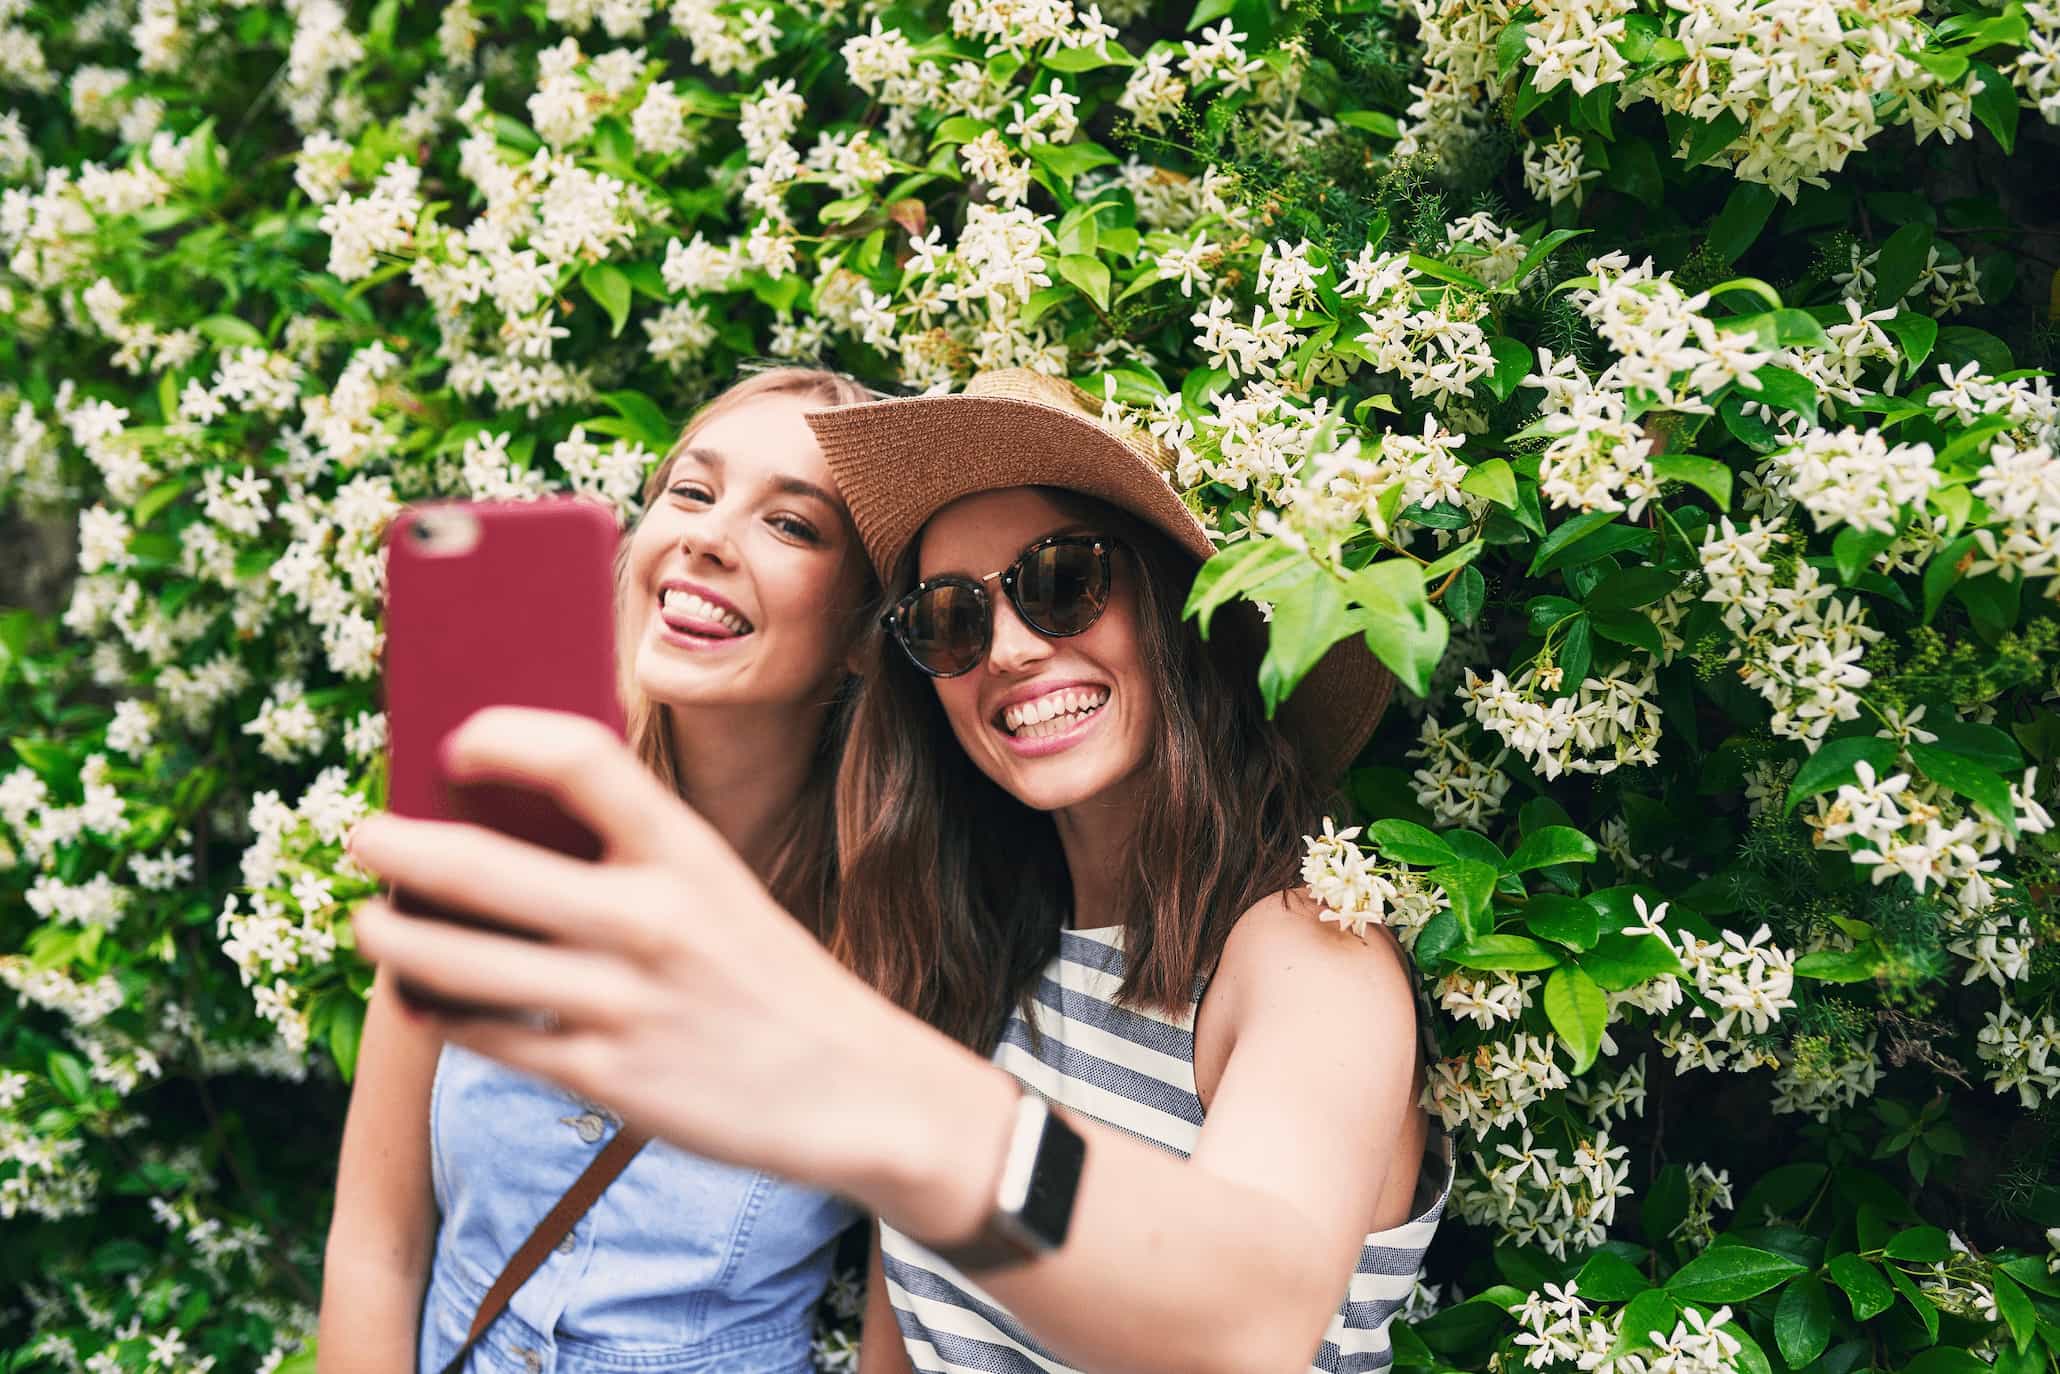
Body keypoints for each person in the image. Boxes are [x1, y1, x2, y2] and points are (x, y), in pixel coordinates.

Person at [345, 369, 1450, 1374]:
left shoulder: (1305, 956)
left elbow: (1245, 1319)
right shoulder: (976, 947)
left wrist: (869, 1088)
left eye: (1063, 582)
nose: (1010, 646)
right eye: (950, 617)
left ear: (1173, 605)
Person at [317, 367, 879, 1374]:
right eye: (692, 493)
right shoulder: (487, 844)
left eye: (791, 525)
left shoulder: (895, 935)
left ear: (860, 634)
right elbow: (376, 1242)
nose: (708, 537)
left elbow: (907, 1339)